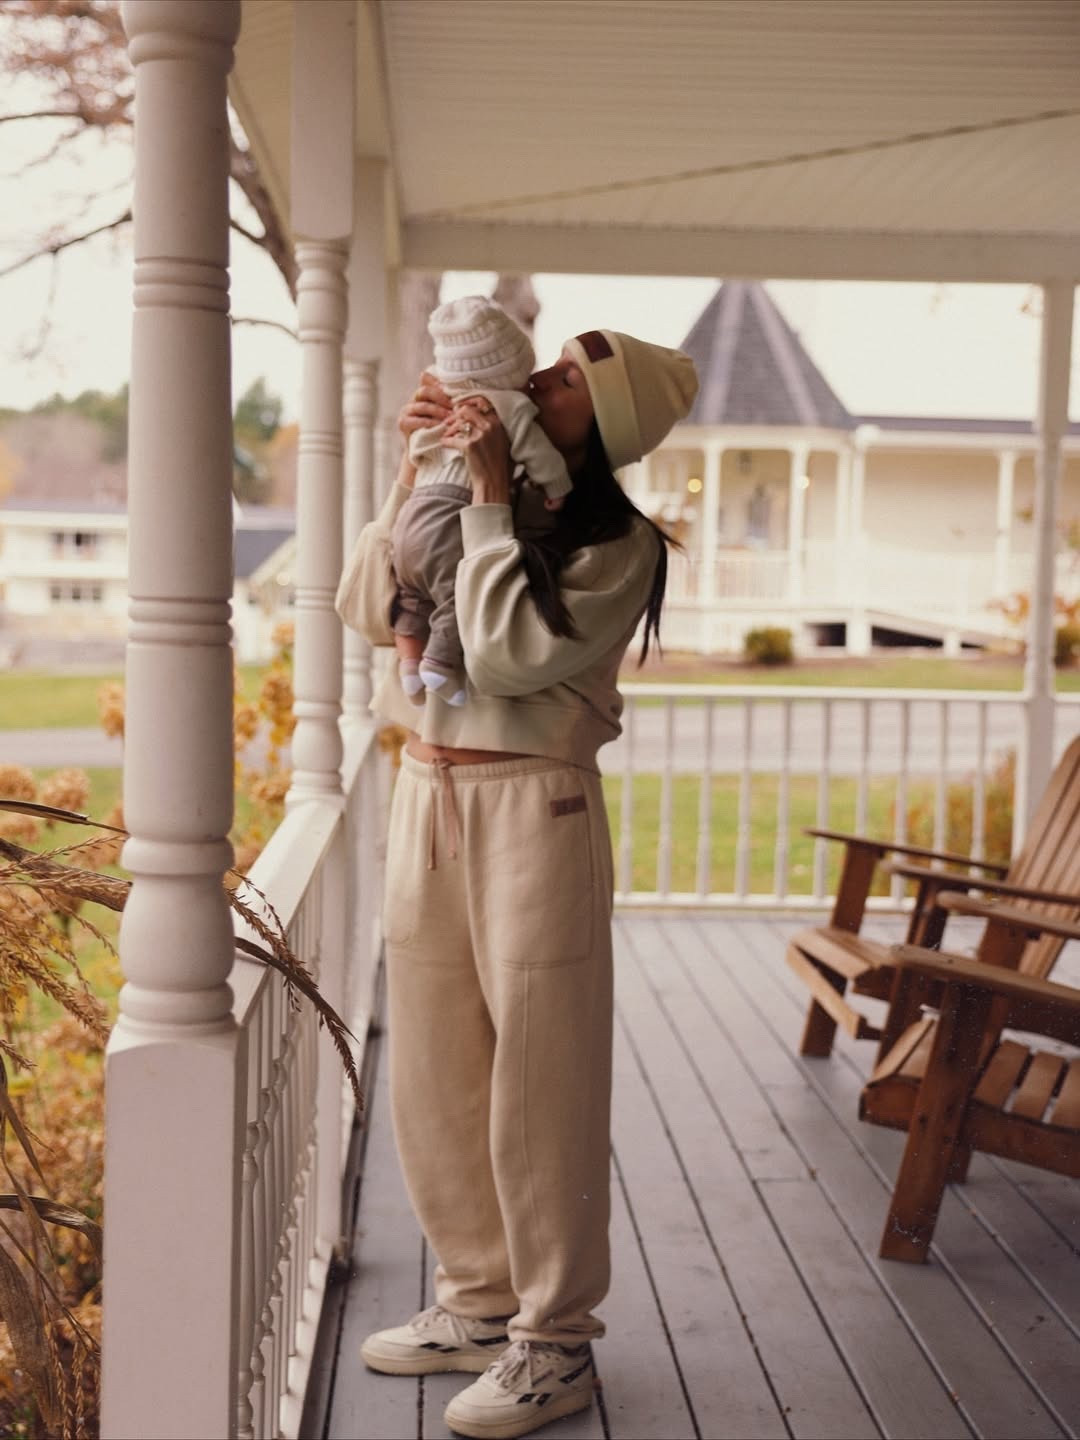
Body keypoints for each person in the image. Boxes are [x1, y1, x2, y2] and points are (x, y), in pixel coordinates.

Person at [336, 325, 697, 1440]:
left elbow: (498, 658)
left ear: (609, 422)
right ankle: (481, 1304)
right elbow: (361, 602)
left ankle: (553, 1342)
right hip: (427, 791)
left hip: (534, 807)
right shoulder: (477, 487)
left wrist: (488, 498)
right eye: (553, 364)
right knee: (437, 1068)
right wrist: (419, 475)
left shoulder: (619, 546)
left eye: (574, 379)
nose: (542, 379)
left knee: (541, 1081)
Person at [392, 295, 572, 708]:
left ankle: (409, 666)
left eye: (566, 380)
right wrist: (557, 486)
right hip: (449, 512)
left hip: (411, 517)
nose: (538, 380)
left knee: (409, 595)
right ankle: (438, 665)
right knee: (458, 589)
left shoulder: (446, 409)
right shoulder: (509, 406)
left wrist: (412, 457)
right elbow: (536, 452)